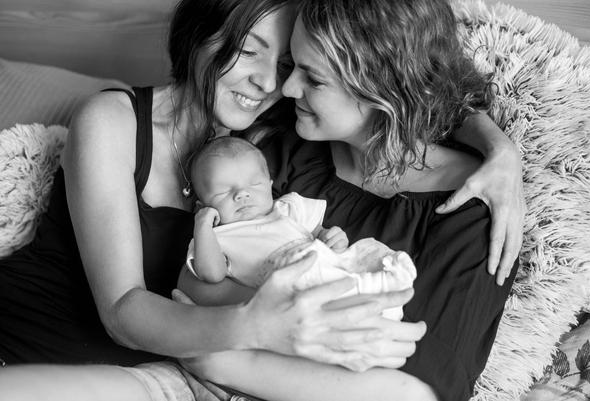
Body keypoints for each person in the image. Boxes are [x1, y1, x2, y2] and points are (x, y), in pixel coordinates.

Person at [0, 0, 523, 399]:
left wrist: (500, 150)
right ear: (201, 32)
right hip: (34, 346)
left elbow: (408, 84)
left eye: (294, 65)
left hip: (155, 378)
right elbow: (139, 305)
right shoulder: (122, 122)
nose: (276, 82)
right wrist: (254, 331)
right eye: (249, 51)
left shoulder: (277, 131)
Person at [185, 135, 417, 323]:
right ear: (203, 206)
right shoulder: (216, 238)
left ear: (269, 186)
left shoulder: (289, 208)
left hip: (325, 266)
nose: (242, 194)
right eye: (223, 192)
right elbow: (212, 275)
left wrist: (330, 237)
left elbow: (318, 232)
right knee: (304, 269)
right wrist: (202, 225)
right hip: (291, 289)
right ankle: (368, 292)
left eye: (254, 184)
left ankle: (386, 287)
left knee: (368, 250)